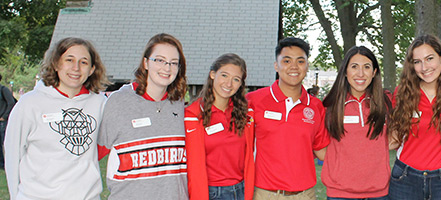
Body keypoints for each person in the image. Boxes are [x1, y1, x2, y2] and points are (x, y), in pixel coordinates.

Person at [4, 37, 109, 199]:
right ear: (55, 63)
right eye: (69, 60)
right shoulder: (30, 103)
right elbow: (12, 153)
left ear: (92, 69)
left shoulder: (100, 104)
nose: (76, 68)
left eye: (84, 62)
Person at [98, 33, 189, 200]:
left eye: (173, 63)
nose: (167, 68)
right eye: (160, 60)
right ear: (146, 62)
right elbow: (90, 156)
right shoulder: (118, 102)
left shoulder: (179, 104)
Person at [387, 34, 441, 200]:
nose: (424, 67)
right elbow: (393, 139)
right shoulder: (402, 93)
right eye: (417, 62)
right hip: (405, 179)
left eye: (429, 58)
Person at [246, 37, 328, 200]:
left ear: (307, 66)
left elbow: (322, 150)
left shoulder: (316, 106)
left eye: (300, 61)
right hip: (264, 194)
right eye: (287, 61)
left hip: (305, 195)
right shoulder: (253, 101)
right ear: (276, 65)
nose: (294, 67)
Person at [320, 46, 392, 200]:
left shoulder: (385, 103)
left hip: (379, 194)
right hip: (339, 194)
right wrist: (341, 168)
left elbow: (393, 140)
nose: (360, 73)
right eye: (354, 67)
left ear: (374, 73)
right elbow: (320, 146)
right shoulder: (330, 106)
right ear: (345, 72)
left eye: (366, 67)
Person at [185, 53, 255, 200]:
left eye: (236, 79)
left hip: (241, 190)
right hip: (212, 192)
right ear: (212, 74)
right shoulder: (193, 115)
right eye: (224, 75)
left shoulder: (245, 114)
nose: (229, 84)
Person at [0, 74, 17, 169]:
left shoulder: (3, 90)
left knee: (5, 143)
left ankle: (8, 164)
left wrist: (4, 116)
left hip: (3, 121)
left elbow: (11, 103)